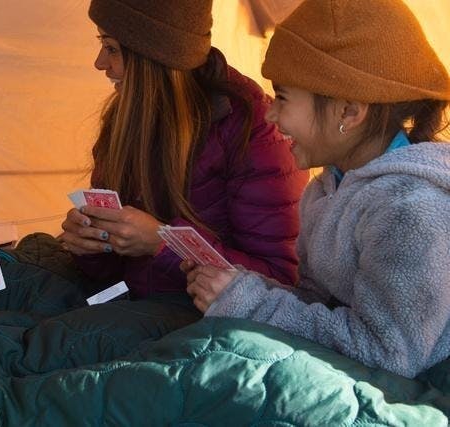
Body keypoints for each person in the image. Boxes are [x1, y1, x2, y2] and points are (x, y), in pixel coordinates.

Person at [184, 0, 450, 378]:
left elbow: (387, 354)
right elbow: (316, 305)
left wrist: (249, 303)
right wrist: (239, 284)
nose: (270, 114)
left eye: (282, 97)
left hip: (421, 389)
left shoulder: (411, 211)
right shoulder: (326, 189)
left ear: (348, 112)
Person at [59, 0, 308, 301]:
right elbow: (111, 275)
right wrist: (89, 244)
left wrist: (162, 244)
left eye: (111, 48)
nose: (99, 63)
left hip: (202, 318)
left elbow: (278, 281)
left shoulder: (254, 131)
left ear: (153, 54)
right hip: (133, 304)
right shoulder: (126, 116)